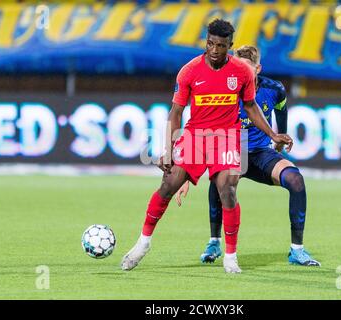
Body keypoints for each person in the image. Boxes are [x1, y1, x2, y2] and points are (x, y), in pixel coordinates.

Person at [121, 20, 293, 273]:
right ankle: (143, 243)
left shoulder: (242, 72)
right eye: (210, 43)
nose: (214, 50)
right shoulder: (189, 71)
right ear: (206, 42)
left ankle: (231, 256)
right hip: (195, 135)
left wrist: (272, 134)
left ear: (229, 46)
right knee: (169, 184)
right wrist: (168, 150)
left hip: (227, 136)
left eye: (221, 46)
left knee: (228, 189)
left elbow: (251, 108)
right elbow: (176, 112)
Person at [175, 45, 320, 267]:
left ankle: (297, 250)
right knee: (219, 182)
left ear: (257, 69)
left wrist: (279, 138)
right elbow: (200, 126)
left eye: (245, 67)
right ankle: (214, 242)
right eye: (236, 65)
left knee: (296, 180)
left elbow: (281, 108)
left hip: (260, 153)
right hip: (230, 150)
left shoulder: (274, 89)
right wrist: (185, 173)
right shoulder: (223, 87)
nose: (238, 71)